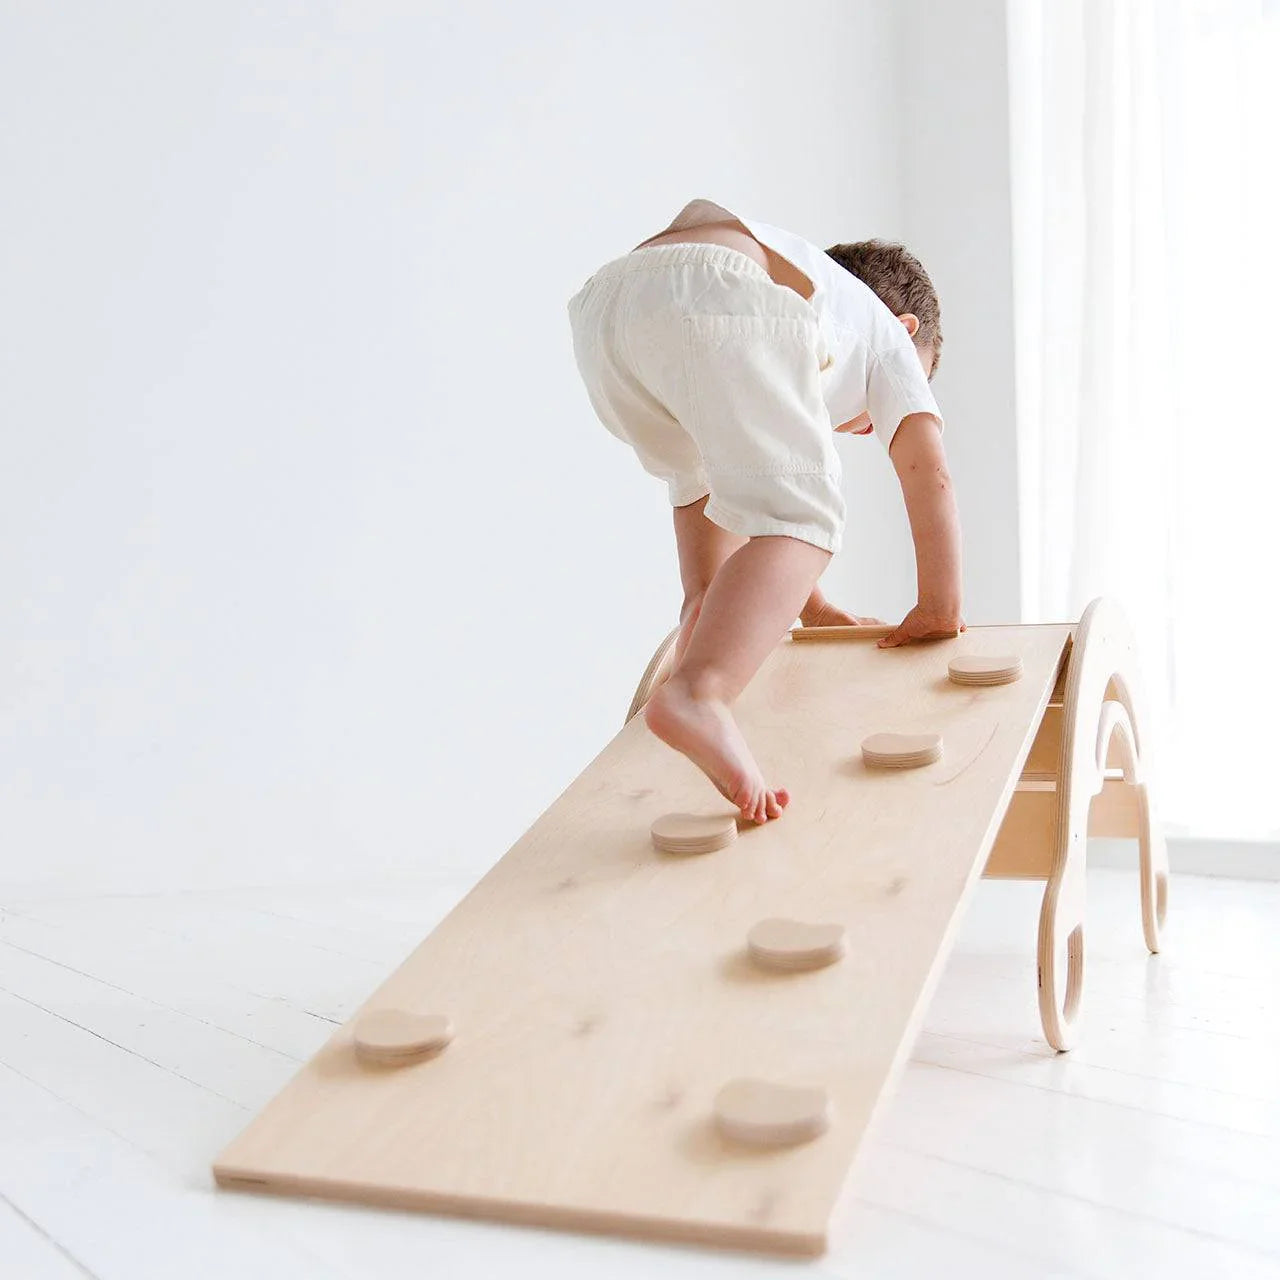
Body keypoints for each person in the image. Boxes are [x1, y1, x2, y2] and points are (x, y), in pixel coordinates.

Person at [566, 198, 963, 825]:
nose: (863, 429)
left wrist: (812, 602)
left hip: (606, 312)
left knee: (702, 472)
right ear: (908, 330)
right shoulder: (886, 337)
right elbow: (928, 470)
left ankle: (701, 616)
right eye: (925, 376)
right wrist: (940, 607)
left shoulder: (805, 298)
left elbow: (723, 481)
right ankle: (700, 692)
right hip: (708, 285)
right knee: (807, 516)